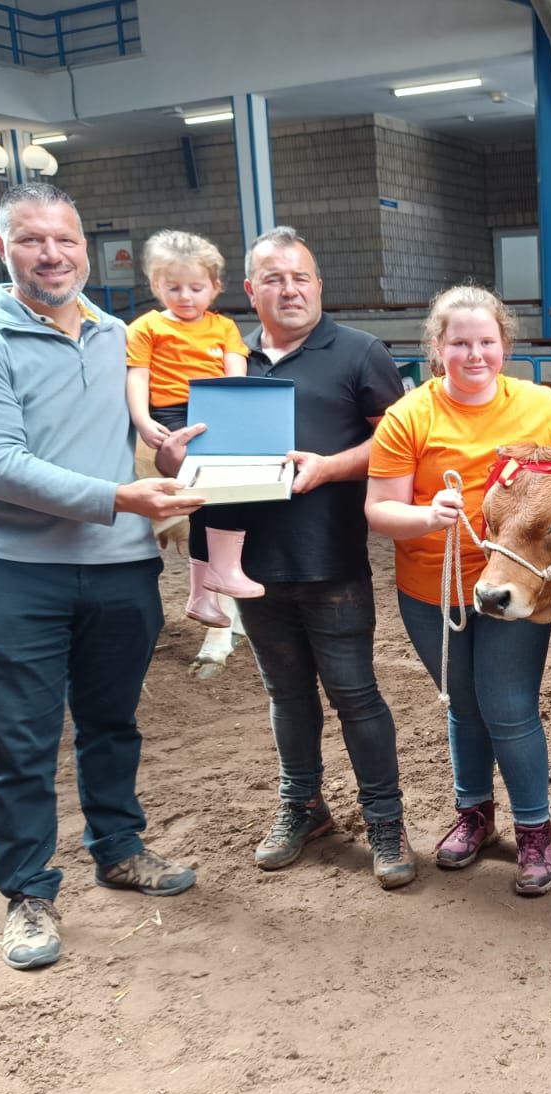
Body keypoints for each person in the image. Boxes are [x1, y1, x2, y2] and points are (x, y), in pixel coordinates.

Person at [0, 183, 202, 971]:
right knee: (19, 741)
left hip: (118, 570)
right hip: (15, 573)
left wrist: (170, 457)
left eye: (66, 239)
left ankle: (118, 846)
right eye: (32, 239)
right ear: (3, 248)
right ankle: (28, 894)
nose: (52, 253)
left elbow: (132, 442)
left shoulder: (119, 336)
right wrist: (119, 497)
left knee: (114, 723)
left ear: (86, 247)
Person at [159, 226, 414, 887]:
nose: (289, 288)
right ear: (250, 290)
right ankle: (303, 806)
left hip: (330, 562)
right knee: (285, 695)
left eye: (300, 277)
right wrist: (172, 457)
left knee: (356, 695)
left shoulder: (359, 353)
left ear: (319, 286)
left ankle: (385, 821)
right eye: (273, 278)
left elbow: (401, 440)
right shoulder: (228, 365)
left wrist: (331, 468)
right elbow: (198, 459)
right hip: (252, 569)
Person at [364, 286, 551, 897]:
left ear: (504, 346)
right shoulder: (410, 415)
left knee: (509, 709)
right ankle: (475, 816)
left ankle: (534, 833)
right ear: (437, 349)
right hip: (432, 589)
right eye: (459, 343)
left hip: (520, 588)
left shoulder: (537, 403)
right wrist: (425, 515)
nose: (474, 354)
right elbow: (379, 511)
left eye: (486, 341)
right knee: (464, 705)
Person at [123, 229, 254, 628]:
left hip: (214, 409)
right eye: (173, 287)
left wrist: (238, 410)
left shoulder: (224, 327)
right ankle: (216, 577)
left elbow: (236, 370)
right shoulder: (146, 327)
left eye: (195, 287)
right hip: (173, 417)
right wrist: (143, 419)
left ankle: (206, 588)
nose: (185, 297)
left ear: (214, 288)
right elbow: (137, 377)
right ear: (155, 285)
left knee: (221, 496)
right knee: (209, 495)